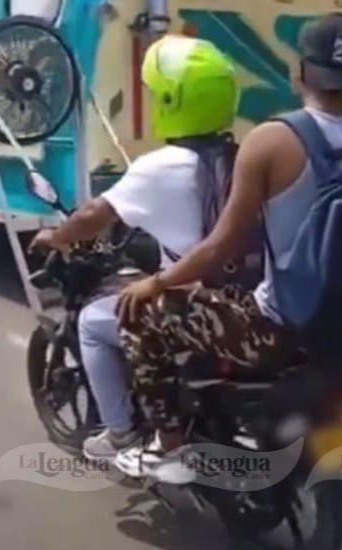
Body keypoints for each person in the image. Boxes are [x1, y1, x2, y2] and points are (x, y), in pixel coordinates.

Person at [113, 13, 342, 480]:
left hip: (279, 330)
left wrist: (157, 282)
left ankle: (166, 444)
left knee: (140, 314)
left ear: (300, 74)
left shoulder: (271, 140)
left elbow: (222, 245)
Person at [29, 35, 250, 459]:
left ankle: (121, 433)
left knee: (93, 323)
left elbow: (94, 215)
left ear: (171, 101)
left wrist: (55, 237)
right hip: (245, 302)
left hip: (196, 306)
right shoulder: (242, 156)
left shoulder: (159, 167)